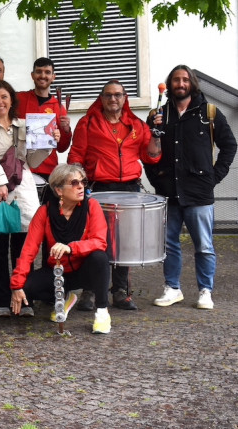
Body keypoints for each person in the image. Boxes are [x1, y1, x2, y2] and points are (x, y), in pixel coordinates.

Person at [146, 65, 237, 310]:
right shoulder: (158, 115)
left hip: (199, 192)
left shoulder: (209, 112)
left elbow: (229, 146)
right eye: (176, 80)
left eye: (185, 80)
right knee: (168, 244)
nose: (180, 84)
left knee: (204, 245)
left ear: (192, 84)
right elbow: (148, 153)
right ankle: (172, 288)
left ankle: (205, 291)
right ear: (169, 84)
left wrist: (213, 177)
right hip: (168, 192)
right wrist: (157, 180)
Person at [67, 80, 162, 312]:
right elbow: (76, 156)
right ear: (101, 98)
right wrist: (79, 186)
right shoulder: (87, 123)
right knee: (95, 241)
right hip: (98, 188)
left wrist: (157, 137)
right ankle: (90, 290)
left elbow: (151, 157)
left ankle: (120, 292)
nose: (113, 99)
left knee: (124, 243)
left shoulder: (137, 125)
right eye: (108, 95)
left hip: (130, 189)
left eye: (118, 95)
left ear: (124, 97)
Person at [0, 80, 58, 318]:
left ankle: (24, 297)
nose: (0, 102)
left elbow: (32, 161)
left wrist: (49, 144)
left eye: (4, 97)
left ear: (11, 99)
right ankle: (0, 298)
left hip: (23, 189)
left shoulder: (25, 125)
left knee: (24, 248)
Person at [10, 164, 112, 334]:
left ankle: (102, 312)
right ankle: (64, 298)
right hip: (57, 272)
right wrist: (17, 285)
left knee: (99, 258)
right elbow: (29, 250)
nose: (81, 186)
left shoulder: (92, 206)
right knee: (26, 288)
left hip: (84, 270)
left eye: (83, 181)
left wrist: (71, 248)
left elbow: (100, 242)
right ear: (59, 190)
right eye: (74, 183)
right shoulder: (44, 212)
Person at [14, 57, 72, 181]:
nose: (43, 75)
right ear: (32, 75)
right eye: (39, 71)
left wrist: (66, 131)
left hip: (48, 169)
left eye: (47, 72)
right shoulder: (19, 99)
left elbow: (61, 148)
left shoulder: (59, 107)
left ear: (53, 77)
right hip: (21, 167)